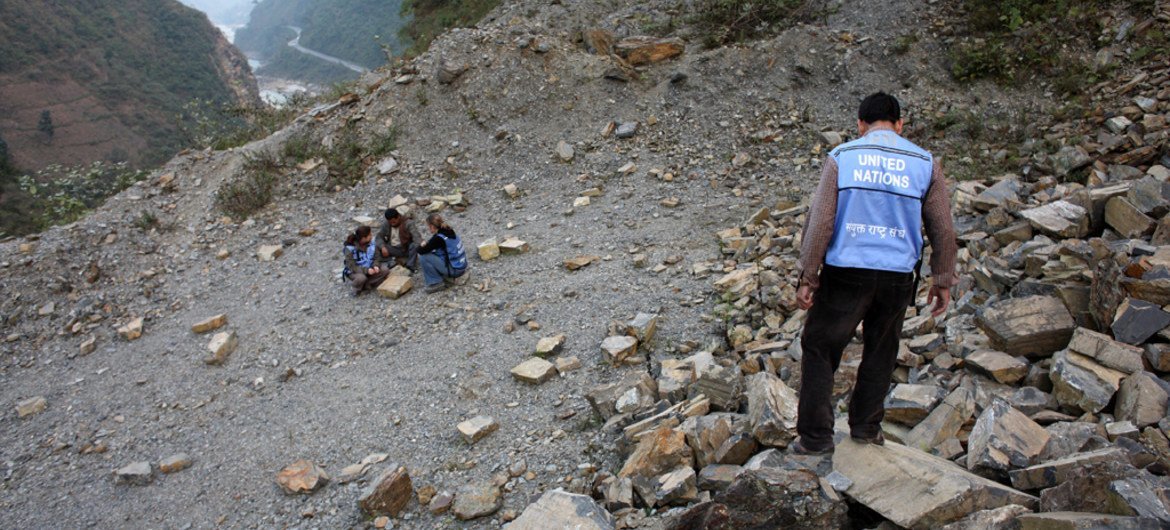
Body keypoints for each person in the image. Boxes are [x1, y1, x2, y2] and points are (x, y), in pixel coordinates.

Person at [791, 92, 958, 455]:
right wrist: (942, 278)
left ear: (860, 125)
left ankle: (816, 439)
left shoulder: (843, 157)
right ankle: (866, 428)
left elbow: (820, 222)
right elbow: (943, 228)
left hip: (847, 271)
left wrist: (807, 277)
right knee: (881, 350)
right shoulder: (925, 162)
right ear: (899, 125)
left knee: (820, 346)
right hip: (898, 276)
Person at [417, 213, 469, 293]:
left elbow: (421, 250)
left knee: (424, 257)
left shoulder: (438, 239)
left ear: (431, 226)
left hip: (455, 270)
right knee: (434, 252)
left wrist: (422, 245)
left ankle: (436, 282)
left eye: (428, 226)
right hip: (461, 266)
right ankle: (441, 275)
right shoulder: (449, 230)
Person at [342, 225, 389, 296]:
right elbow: (352, 266)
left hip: (369, 267)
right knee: (361, 278)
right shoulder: (349, 248)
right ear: (364, 238)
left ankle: (367, 284)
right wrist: (366, 270)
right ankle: (356, 288)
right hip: (355, 270)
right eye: (370, 235)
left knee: (385, 270)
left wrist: (375, 265)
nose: (371, 236)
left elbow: (377, 257)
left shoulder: (372, 243)